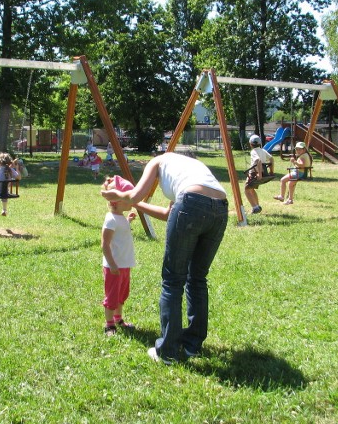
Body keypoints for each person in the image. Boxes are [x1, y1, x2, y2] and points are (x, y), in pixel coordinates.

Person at [101, 152, 228, 364]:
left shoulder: (157, 162)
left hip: (192, 203)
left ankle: (167, 351)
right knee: (197, 279)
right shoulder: (188, 167)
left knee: (173, 280)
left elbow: (133, 197)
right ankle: (192, 346)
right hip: (221, 208)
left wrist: (115, 195)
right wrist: (135, 204)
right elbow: (167, 213)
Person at [101, 175, 138, 336]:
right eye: (127, 198)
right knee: (112, 295)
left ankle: (118, 318)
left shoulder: (120, 218)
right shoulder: (110, 220)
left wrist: (128, 221)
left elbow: (121, 232)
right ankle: (109, 325)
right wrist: (112, 264)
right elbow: (105, 244)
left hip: (125, 264)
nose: (131, 201)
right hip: (114, 266)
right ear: (116, 201)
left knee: (122, 294)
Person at [244, 134, 274, 214]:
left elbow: (258, 160)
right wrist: (271, 171)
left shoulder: (253, 151)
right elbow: (271, 158)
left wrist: (259, 174)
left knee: (246, 189)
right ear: (260, 143)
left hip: (254, 173)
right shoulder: (263, 151)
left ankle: (255, 207)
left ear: (250, 144)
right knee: (251, 189)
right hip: (264, 172)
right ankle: (257, 206)